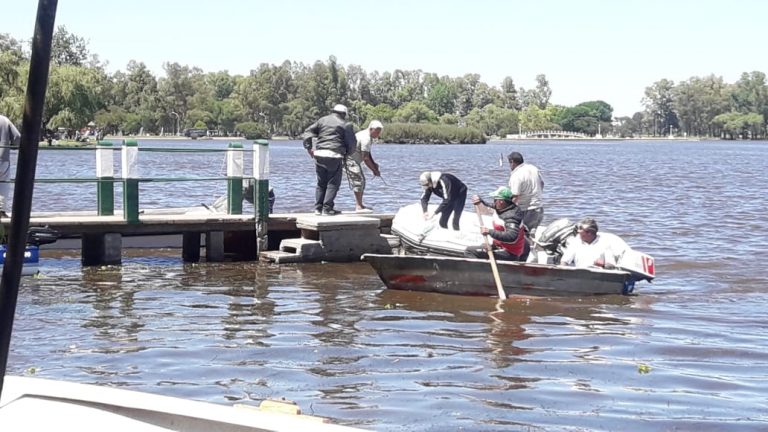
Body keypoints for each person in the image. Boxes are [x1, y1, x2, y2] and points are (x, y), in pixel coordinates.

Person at [302, 104, 356, 216]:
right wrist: (347, 153)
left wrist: (309, 148)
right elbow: (352, 144)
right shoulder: (346, 124)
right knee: (333, 183)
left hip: (319, 154)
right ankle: (327, 209)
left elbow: (307, 132)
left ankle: (318, 209)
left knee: (321, 183)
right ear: (344, 114)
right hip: (334, 156)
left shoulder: (322, 120)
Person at [465, 186, 529, 261]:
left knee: (469, 251)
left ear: (501, 201)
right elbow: (492, 206)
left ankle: (480, 271)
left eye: (495, 199)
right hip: (501, 246)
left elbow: (512, 237)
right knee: (482, 246)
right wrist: (480, 201)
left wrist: (489, 231)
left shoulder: (511, 217)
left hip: (509, 253)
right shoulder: (505, 207)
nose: (494, 202)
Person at [559, 217, 630, 268]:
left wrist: (603, 264)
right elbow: (564, 261)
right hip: (580, 274)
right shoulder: (576, 242)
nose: (578, 231)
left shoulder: (604, 243)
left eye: (581, 229)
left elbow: (611, 265)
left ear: (589, 233)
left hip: (599, 276)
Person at [345, 120, 383, 212]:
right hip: (350, 160)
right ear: (371, 129)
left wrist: (374, 164)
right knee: (359, 180)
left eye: (379, 132)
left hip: (353, 159)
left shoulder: (366, 135)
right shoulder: (366, 138)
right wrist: (374, 170)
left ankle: (360, 205)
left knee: (361, 180)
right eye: (377, 131)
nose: (378, 134)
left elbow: (367, 153)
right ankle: (359, 206)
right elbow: (365, 158)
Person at [507, 151, 544, 234]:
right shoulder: (533, 168)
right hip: (539, 208)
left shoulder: (516, 175)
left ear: (512, 162)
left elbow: (515, 196)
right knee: (531, 235)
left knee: (522, 236)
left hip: (526, 210)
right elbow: (542, 184)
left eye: (509, 163)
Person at [0, 114, 21, 218]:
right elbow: (17, 138)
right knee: (3, 184)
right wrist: (12, 146)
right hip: (2, 159)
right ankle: (1, 211)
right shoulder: (4, 120)